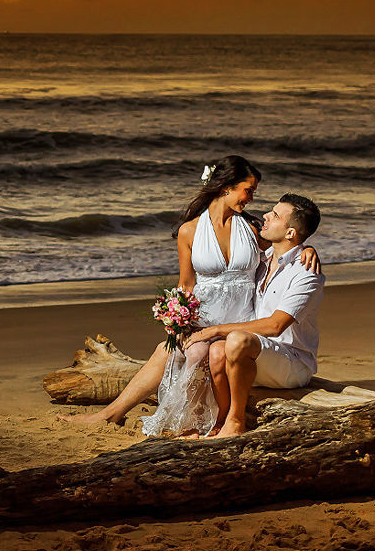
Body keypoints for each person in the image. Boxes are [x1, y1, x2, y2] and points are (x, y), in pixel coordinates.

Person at [66, 157, 318, 432]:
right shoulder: (189, 231)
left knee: (205, 352)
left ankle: (214, 423)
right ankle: (115, 413)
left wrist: (308, 249)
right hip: (206, 319)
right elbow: (186, 284)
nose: (252, 197)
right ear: (226, 187)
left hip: (241, 325)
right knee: (170, 348)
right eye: (249, 189)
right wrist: (176, 320)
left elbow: (287, 243)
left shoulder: (254, 229)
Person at [191, 193, 325, 438]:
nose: (266, 216)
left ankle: (236, 420)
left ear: (290, 234)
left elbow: (276, 326)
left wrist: (216, 329)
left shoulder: (306, 273)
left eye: (275, 216)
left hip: (292, 362)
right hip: (260, 354)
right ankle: (220, 420)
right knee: (217, 351)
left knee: (235, 340)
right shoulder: (261, 261)